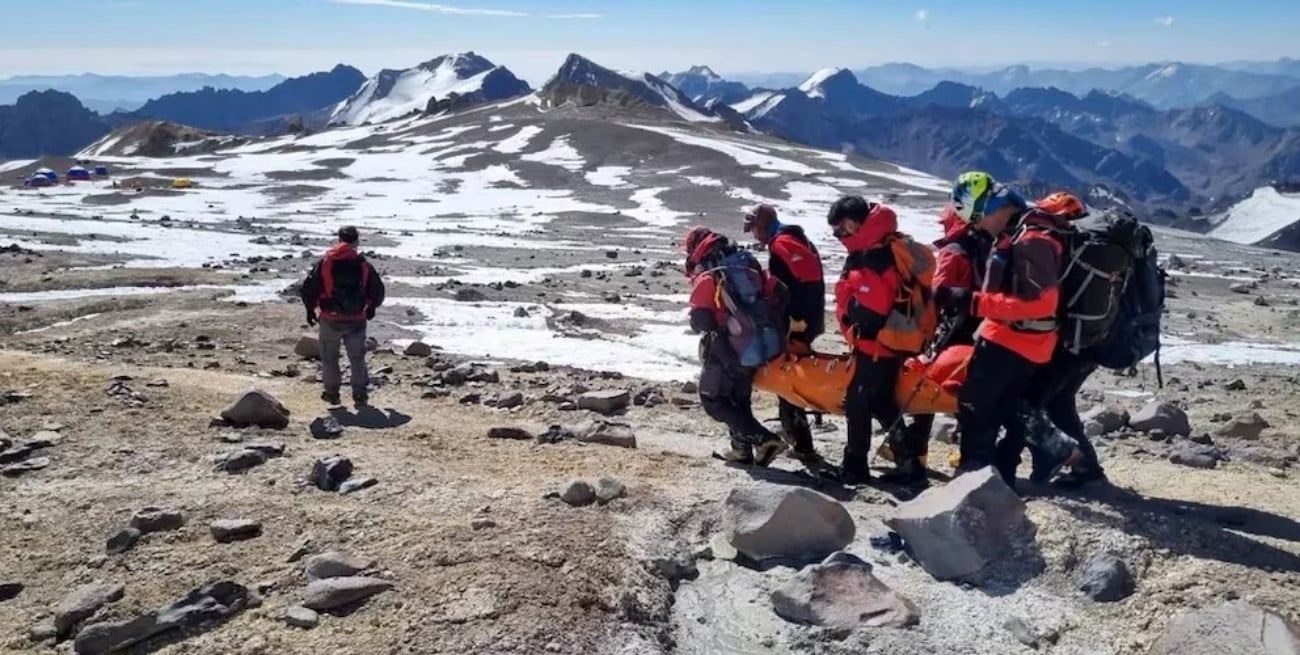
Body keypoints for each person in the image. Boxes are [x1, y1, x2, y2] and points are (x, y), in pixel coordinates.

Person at [938, 172, 1068, 488]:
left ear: (994, 206)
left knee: (977, 409)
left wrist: (973, 302)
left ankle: (973, 481)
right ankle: (1001, 479)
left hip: (1014, 340)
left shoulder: (1031, 240)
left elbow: (1040, 304)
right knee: (1004, 407)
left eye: (978, 217)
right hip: (1024, 341)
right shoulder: (1025, 233)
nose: (978, 226)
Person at [684, 226, 788, 467]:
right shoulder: (746, 263)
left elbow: (702, 320)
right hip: (755, 342)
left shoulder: (711, 272)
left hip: (724, 347)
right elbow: (777, 291)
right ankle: (741, 450)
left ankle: (765, 440)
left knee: (714, 400)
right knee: (739, 400)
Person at [827, 196, 911, 485]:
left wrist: (849, 307)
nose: (839, 237)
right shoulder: (885, 246)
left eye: (840, 230)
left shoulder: (871, 256)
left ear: (853, 223)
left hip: (874, 344)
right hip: (891, 342)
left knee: (858, 404)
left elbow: (874, 306)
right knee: (883, 402)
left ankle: (855, 468)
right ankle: (909, 462)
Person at [742, 203, 826, 460]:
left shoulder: (783, 244)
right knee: (789, 377)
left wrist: (798, 320)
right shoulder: (790, 240)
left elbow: (807, 283)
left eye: (754, 228)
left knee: (789, 379)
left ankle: (803, 443)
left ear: (763, 224)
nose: (754, 235)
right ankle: (800, 440)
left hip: (797, 323)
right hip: (800, 321)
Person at [300, 226, 386, 406]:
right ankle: (360, 394)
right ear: (357, 241)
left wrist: (310, 310)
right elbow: (377, 291)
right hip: (356, 318)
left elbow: (309, 288)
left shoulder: (326, 262)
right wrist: (371, 307)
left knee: (330, 357)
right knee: (357, 357)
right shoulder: (363, 264)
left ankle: (332, 393)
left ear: (339, 239)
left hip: (330, 317)